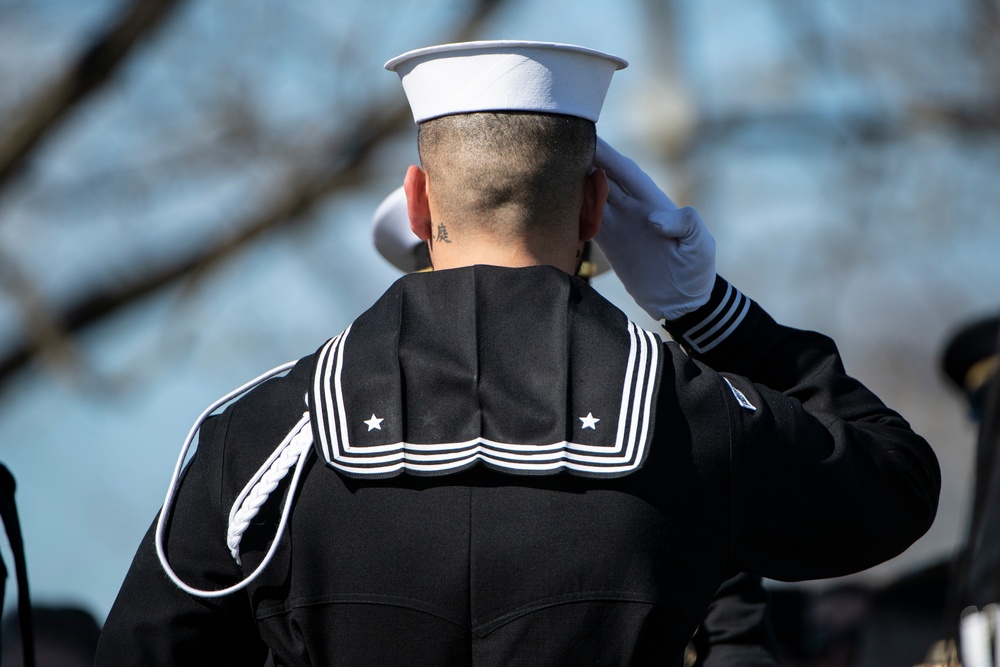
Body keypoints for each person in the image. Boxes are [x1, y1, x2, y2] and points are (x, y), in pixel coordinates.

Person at [94, 40, 940, 666]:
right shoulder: (691, 416)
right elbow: (895, 483)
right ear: (597, 204)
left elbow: (145, 651)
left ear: (418, 201)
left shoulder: (267, 434)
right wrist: (706, 311)